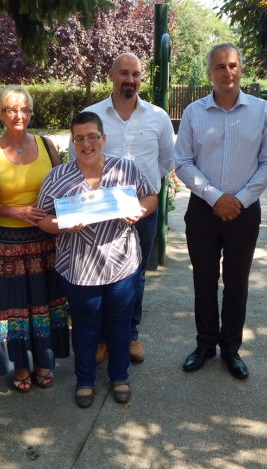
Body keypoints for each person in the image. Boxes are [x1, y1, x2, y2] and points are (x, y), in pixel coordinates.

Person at [37, 111, 158, 408]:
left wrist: (139, 211)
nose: (86, 144)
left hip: (121, 263)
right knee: (85, 326)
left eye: (92, 137)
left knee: (119, 323)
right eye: (79, 138)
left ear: (103, 138)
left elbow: (150, 196)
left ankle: (120, 376)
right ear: (72, 142)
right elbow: (42, 219)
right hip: (79, 266)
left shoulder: (125, 168)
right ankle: (85, 380)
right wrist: (63, 225)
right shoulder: (57, 176)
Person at [174, 44, 267, 379]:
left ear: (241, 70)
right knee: (203, 280)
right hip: (203, 210)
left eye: (233, 65)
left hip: (243, 212)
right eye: (219, 66)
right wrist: (215, 197)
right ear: (210, 73)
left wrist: (240, 199)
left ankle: (231, 349)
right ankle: (205, 344)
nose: (227, 71)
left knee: (237, 283)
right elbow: (182, 162)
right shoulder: (193, 112)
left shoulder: (262, 111)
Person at [68, 53, 175, 365]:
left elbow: (166, 162)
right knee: (99, 274)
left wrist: (142, 193)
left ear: (141, 78)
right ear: (111, 75)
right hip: (101, 212)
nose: (130, 79)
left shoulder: (158, 117)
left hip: (143, 210)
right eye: (124, 73)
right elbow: (78, 158)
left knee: (135, 276)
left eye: (136, 74)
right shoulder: (92, 115)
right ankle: (102, 338)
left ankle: (129, 334)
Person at [0, 85, 70, 393]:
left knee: (44, 300)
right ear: (0, 113)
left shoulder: (46, 145)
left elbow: (63, 188)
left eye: (24, 109)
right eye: (11, 110)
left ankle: (44, 361)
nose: (18, 116)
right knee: (13, 305)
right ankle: (20, 365)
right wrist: (14, 211)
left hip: (45, 239)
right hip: (6, 243)